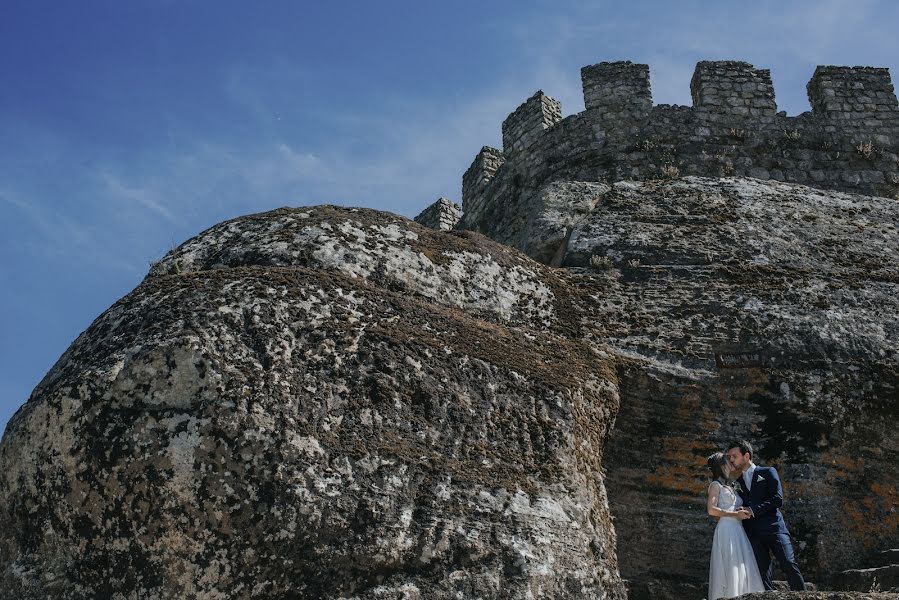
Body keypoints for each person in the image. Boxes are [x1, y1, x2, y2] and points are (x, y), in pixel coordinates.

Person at [726, 440, 806, 591]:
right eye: (730, 457)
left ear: (746, 456)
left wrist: (752, 509)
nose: (731, 460)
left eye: (734, 456)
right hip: (753, 534)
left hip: (774, 529)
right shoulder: (736, 482)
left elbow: (777, 499)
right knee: (761, 574)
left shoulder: (768, 472)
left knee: (789, 564)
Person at [706, 452, 765, 599]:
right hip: (727, 528)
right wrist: (734, 515)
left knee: (741, 564)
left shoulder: (732, 485)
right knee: (730, 564)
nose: (732, 462)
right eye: (728, 461)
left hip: (738, 529)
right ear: (721, 465)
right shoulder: (715, 485)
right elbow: (711, 509)